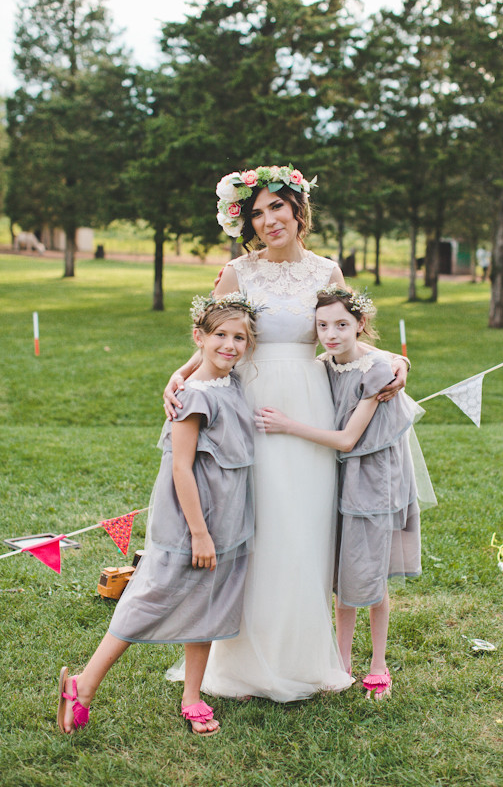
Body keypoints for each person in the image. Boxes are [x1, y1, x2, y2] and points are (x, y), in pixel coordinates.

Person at [163, 165, 410, 702]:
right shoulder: (237, 272)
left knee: (303, 526)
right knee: (255, 525)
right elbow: (217, 338)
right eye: (256, 212)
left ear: (299, 211)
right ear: (246, 221)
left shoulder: (327, 270)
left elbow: (345, 333)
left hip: (309, 407)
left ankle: (302, 656)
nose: (268, 220)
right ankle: (244, 660)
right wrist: (181, 374)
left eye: (277, 207)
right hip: (249, 407)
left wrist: (394, 360)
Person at [57, 295, 258, 736]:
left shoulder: (232, 383)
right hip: (191, 521)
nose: (229, 345)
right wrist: (199, 533)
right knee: (152, 596)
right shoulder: (193, 396)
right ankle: (84, 685)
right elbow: (181, 469)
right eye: (220, 335)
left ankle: (192, 695)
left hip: (228, 516)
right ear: (199, 337)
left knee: (209, 600)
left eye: (239, 337)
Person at [255, 285, 436, 701]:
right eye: (322, 326)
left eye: (341, 324)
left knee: (369, 574)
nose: (331, 334)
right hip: (336, 477)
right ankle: (341, 662)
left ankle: (378, 664)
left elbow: (348, 439)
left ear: (360, 324)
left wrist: (286, 425)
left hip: (371, 481)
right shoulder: (325, 365)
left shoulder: (376, 372)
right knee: (342, 574)